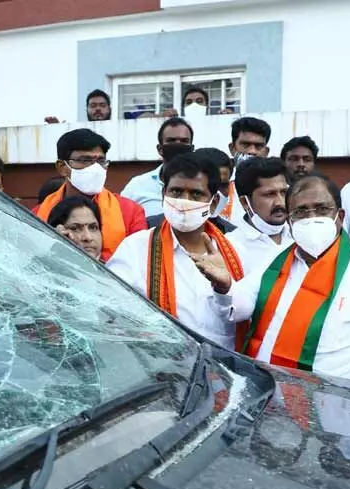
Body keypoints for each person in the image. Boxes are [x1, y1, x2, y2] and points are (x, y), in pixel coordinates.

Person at [192, 172, 350, 389]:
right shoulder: (275, 261)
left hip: (341, 415)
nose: (312, 218)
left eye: (321, 209)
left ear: (339, 216)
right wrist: (224, 286)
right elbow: (238, 309)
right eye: (301, 212)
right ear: (290, 221)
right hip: (272, 404)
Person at [106, 153, 246, 349]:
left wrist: (226, 289)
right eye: (176, 192)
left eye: (196, 194)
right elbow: (113, 314)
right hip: (160, 368)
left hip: (225, 370)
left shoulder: (237, 253)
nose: (184, 201)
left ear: (213, 202)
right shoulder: (135, 249)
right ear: (164, 193)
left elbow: (246, 316)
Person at [34, 129, 147, 262]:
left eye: (101, 161)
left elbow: (140, 263)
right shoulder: (36, 215)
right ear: (62, 167)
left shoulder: (130, 212)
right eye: (85, 160)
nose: (95, 168)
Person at [226, 157, 293, 272]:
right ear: (245, 202)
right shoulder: (230, 247)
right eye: (269, 194)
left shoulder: (299, 236)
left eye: (284, 192)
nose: (280, 202)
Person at [121, 117, 195, 217]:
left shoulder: (203, 185)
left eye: (184, 141)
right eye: (171, 140)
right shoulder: (136, 186)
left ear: (192, 148)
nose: (178, 145)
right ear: (160, 149)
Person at [221, 117, 272, 224]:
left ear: (266, 151)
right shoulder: (218, 188)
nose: (252, 151)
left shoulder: (282, 190)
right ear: (232, 148)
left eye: (258, 146)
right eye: (245, 145)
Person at [46, 196, 103, 260]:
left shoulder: (113, 268)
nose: (88, 237)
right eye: (75, 228)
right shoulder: (39, 266)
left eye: (93, 228)